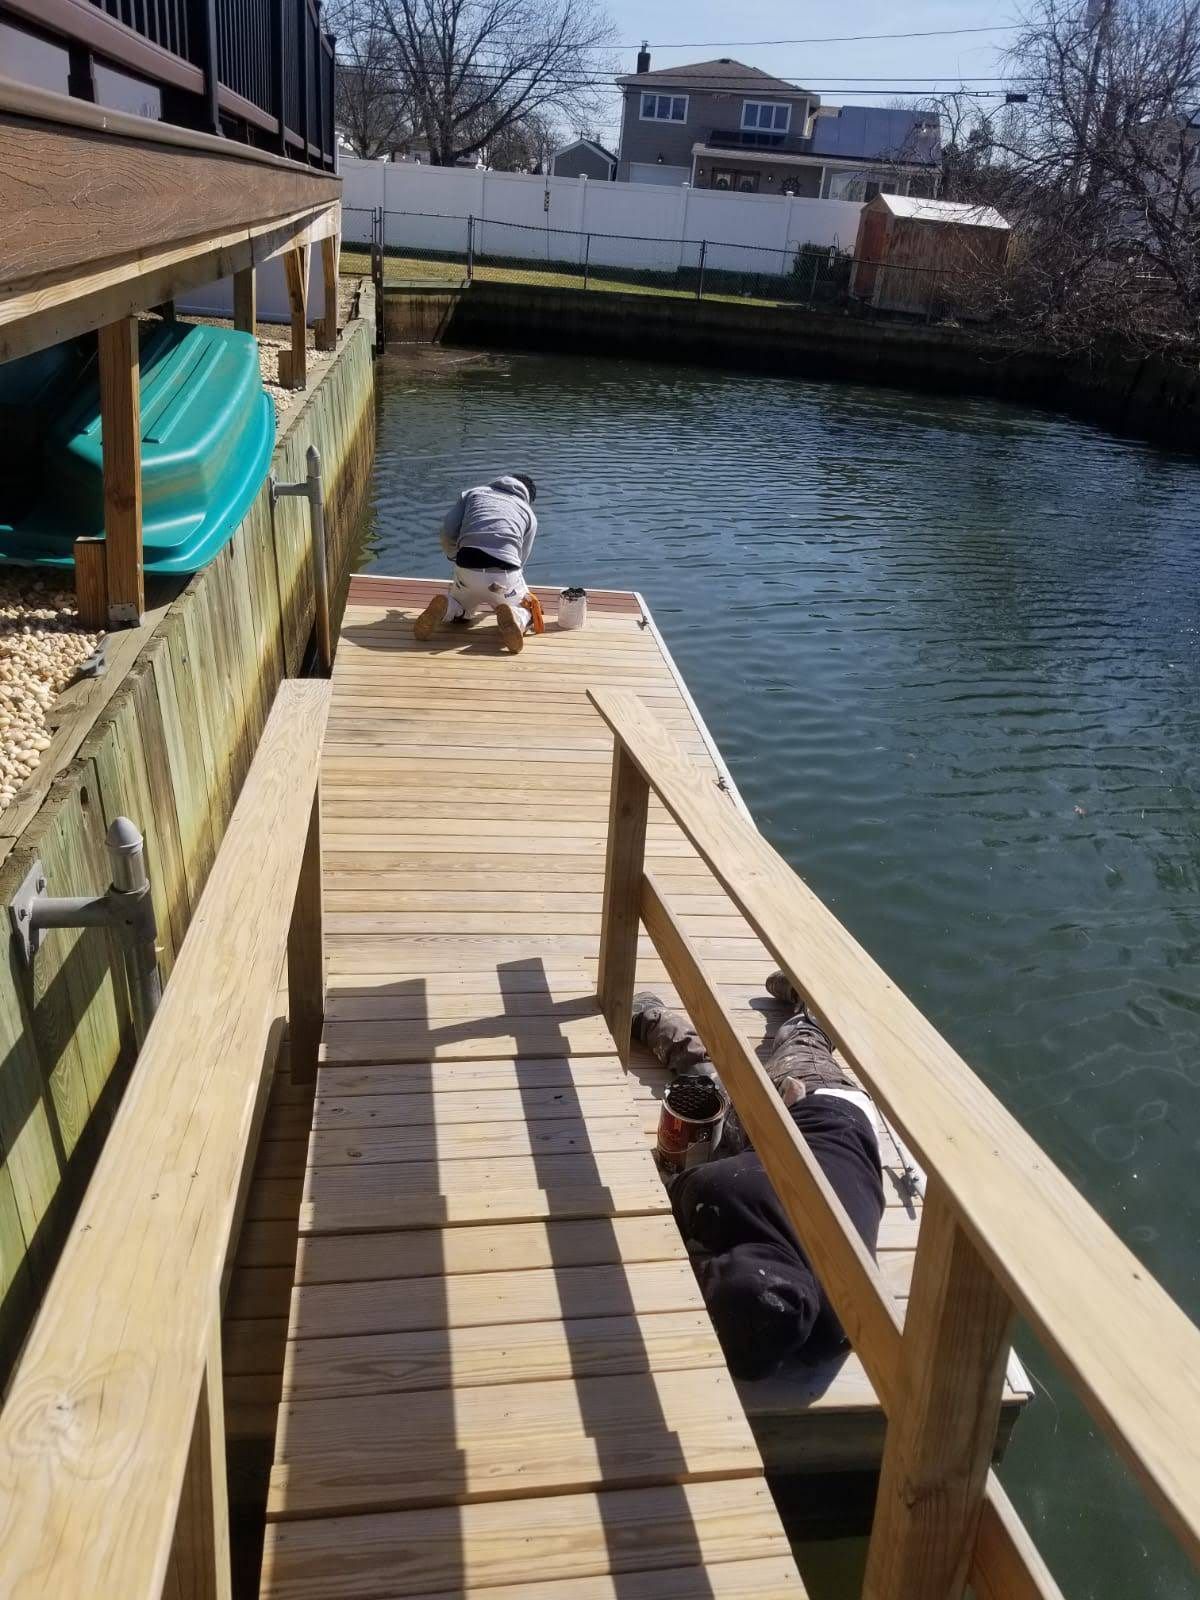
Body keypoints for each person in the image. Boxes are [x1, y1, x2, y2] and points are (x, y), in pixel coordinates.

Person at [631, 974, 885, 1382]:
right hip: (823, 1108)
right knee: (794, 1043)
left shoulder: (836, 1327)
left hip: (794, 1161)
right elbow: (675, 1197)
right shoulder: (724, 1190)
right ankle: (808, 1008)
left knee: (714, 1080)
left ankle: (654, 1020)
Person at [413, 473, 539, 654]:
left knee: (462, 610)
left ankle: (448, 606)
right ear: (527, 497)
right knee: (528, 607)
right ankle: (517, 616)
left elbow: (448, 530)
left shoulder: (473, 493)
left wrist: (453, 556)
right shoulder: (528, 513)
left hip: (467, 565)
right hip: (504, 574)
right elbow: (521, 559)